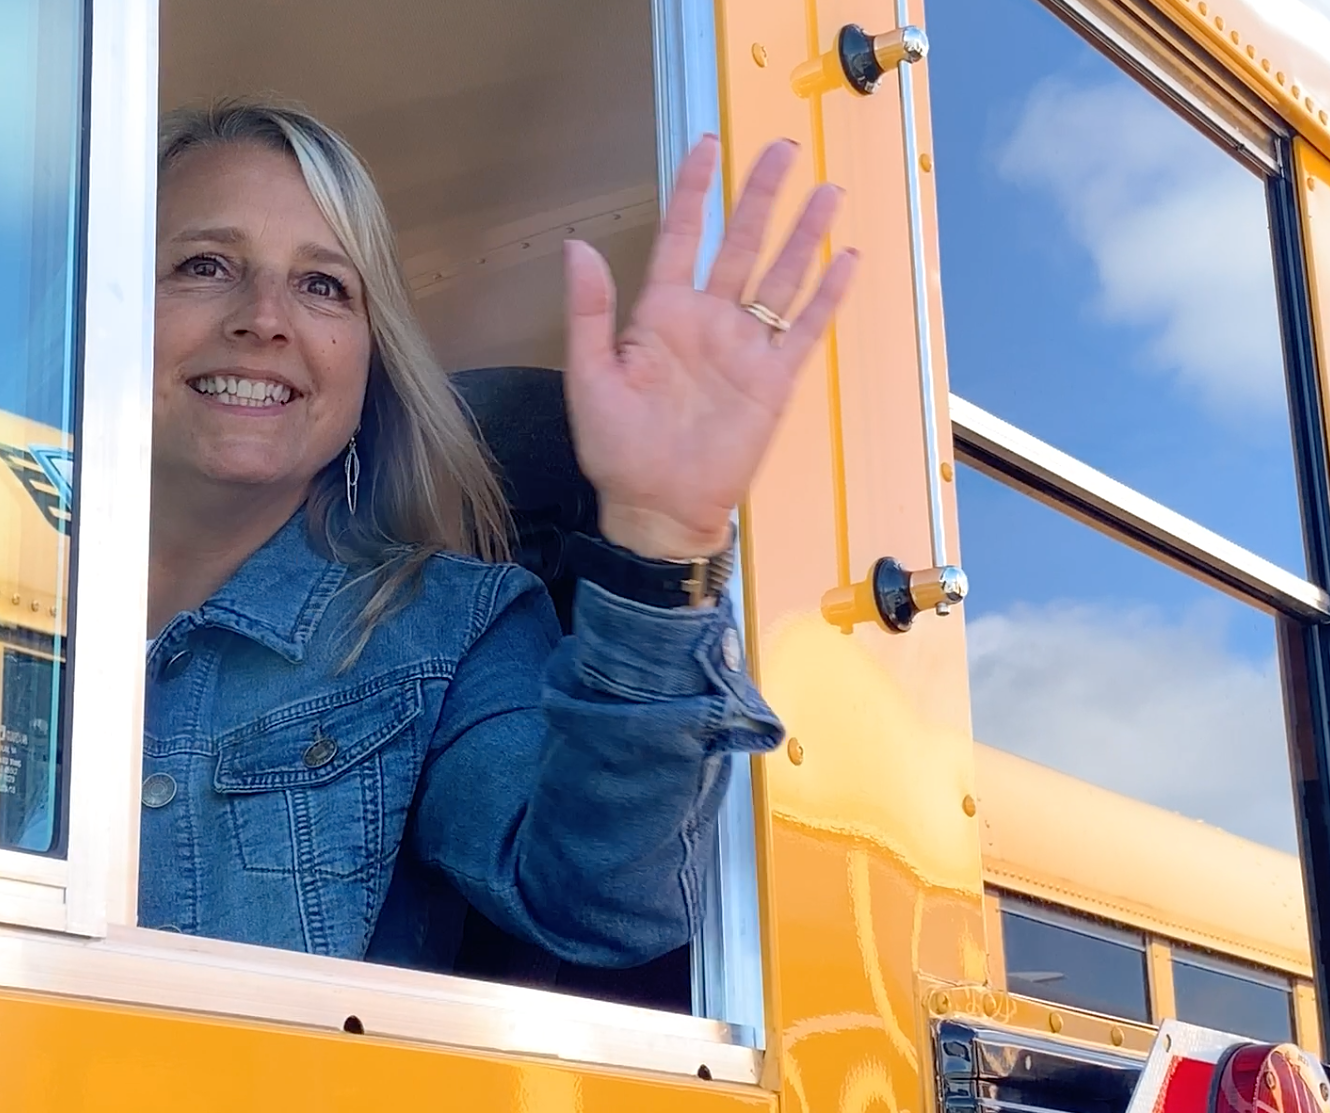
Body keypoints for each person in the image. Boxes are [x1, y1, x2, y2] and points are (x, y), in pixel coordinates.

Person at [138, 100, 854, 980]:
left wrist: (663, 547)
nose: (265, 317)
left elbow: (603, 900)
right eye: (205, 264)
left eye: (324, 284)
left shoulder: (445, 627)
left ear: (370, 359)